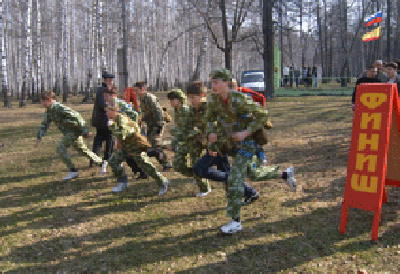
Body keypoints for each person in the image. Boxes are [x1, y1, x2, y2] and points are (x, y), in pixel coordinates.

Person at [200, 68, 297, 234]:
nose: (213, 85)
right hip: (230, 145)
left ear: (227, 82)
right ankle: (285, 175)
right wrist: (210, 132)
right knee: (253, 174)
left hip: (247, 144)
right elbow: (209, 119)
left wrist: (245, 132)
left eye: (216, 82)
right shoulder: (214, 100)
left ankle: (235, 221)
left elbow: (262, 115)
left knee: (235, 179)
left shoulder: (239, 99)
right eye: (212, 82)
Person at [104, 99, 169, 194]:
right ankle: (123, 182)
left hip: (135, 147)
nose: (106, 113)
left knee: (146, 166)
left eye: (107, 111)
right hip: (126, 147)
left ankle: (163, 181)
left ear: (114, 110)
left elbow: (122, 134)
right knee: (113, 161)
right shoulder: (117, 118)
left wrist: (112, 126)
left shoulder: (121, 119)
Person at [34, 91, 103, 180]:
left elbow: (76, 116)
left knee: (60, 149)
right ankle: (102, 163)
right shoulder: (49, 110)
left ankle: (73, 171)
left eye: (43, 101)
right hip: (69, 132)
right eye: (42, 101)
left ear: (50, 100)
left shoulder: (59, 107)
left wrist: (85, 131)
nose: (42, 104)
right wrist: (40, 136)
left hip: (73, 131)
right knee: (83, 150)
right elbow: (45, 123)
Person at [169, 83, 212, 196]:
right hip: (193, 140)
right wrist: (175, 139)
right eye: (189, 98)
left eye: (193, 97)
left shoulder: (210, 108)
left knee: (199, 164)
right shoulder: (191, 110)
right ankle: (198, 176)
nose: (191, 100)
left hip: (211, 142)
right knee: (179, 165)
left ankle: (204, 187)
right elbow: (186, 127)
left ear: (202, 95)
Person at [135, 81, 172, 172]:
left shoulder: (149, 98)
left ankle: (167, 163)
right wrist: (142, 120)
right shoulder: (142, 99)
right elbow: (147, 112)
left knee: (155, 146)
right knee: (153, 145)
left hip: (157, 124)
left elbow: (158, 111)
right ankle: (165, 162)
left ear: (142, 89)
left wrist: (160, 127)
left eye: (137, 90)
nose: (135, 92)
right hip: (151, 125)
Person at [90, 72, 115, 173]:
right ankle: (106, 159)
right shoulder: (103, 91)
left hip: (100, 120)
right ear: (104, 81)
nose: (111, 82)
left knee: (99, 140)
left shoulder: (103, 90)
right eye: (109, 80)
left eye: (111, 80)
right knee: (109, 140)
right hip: (104, 120)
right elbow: (104, 105)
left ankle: (94, 159)